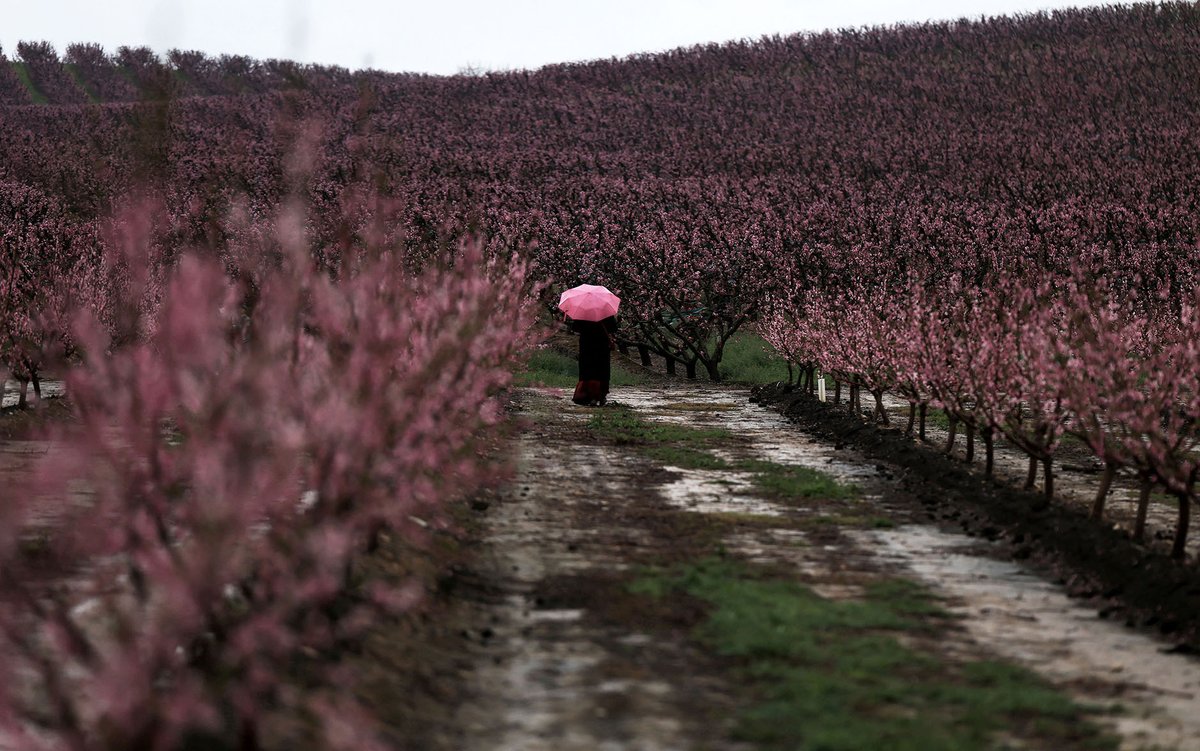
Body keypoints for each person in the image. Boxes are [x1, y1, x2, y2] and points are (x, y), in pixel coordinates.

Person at [569, 315, 618, 406]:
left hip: (587, 344)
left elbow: (576, 328)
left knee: (588, 369)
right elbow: (613, 328)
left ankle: (588, 395)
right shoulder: (606, 313)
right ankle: (601, 395)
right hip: (601, 343)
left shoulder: (583, 313)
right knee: (601, 369)